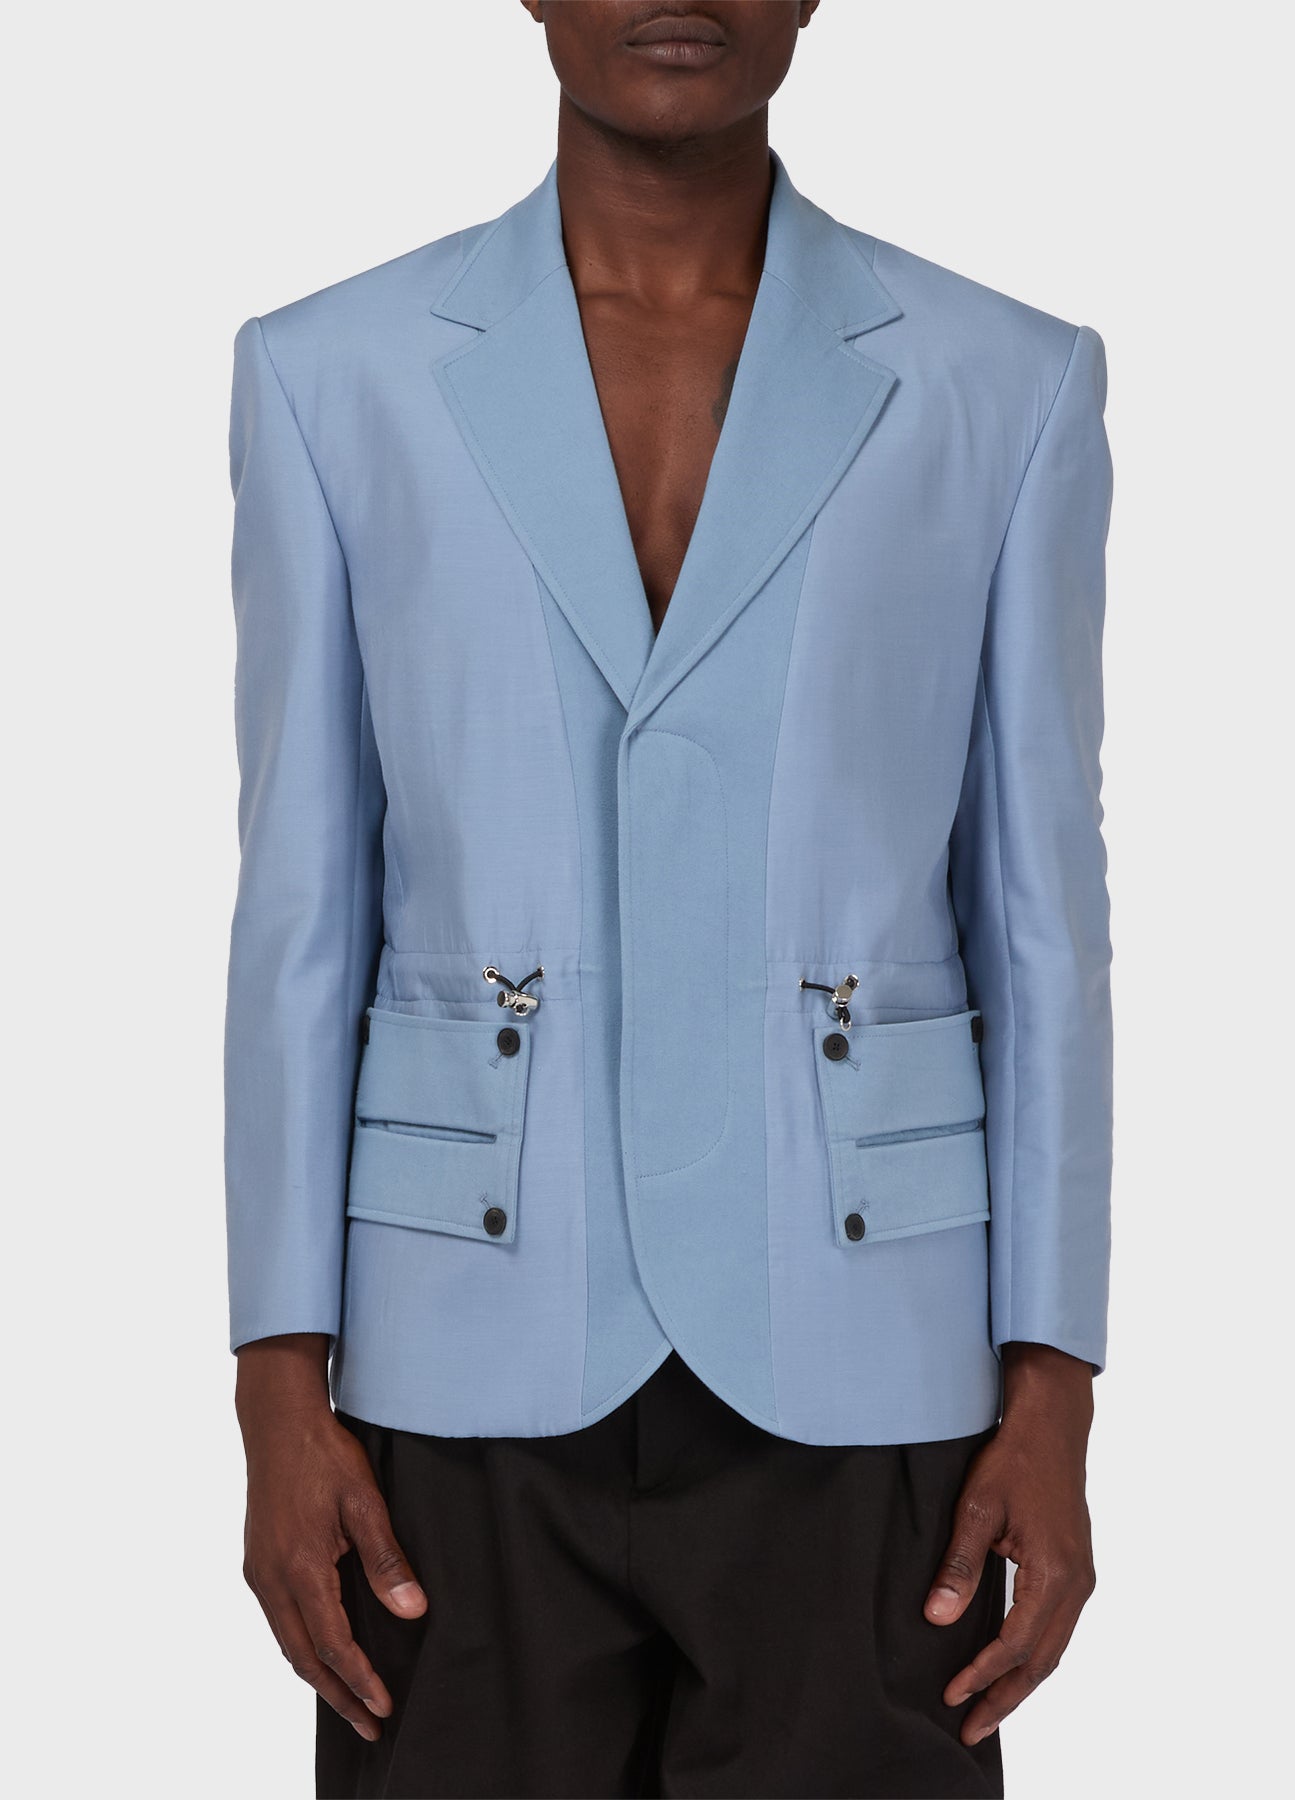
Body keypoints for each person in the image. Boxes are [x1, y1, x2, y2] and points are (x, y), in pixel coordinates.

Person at [224, 3, 1113, 1795]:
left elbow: (1042, 915)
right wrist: (273, 1373)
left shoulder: (1003, 380)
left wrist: (1054, 1372)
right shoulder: (333, 372)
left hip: (866, 1349)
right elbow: (301, 905)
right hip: (457, 1341)